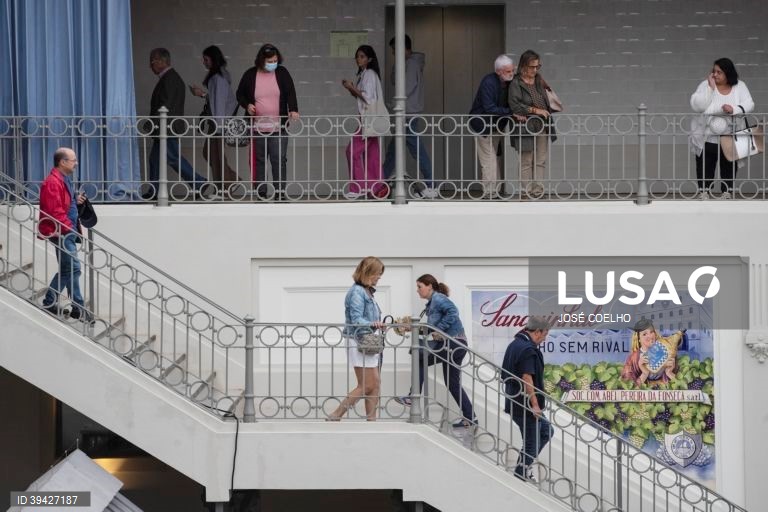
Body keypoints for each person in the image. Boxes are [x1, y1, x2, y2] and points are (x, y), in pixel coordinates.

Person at [395, 274, 476, 429]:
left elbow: (453, 312)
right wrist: (410, 328)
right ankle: (470, 417)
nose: (417, 291)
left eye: (420, 287)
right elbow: (429, 330)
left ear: (429, 286)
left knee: (419, 357)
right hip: (456, 344)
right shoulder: (431, 304)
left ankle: (413, 396)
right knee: (452, 384)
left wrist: (439, 329)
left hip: (453, 343)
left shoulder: (438, 299)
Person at [236, 44, 299, 199]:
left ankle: (279, 193)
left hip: (278, 127)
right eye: (270, 61)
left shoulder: (282, 73)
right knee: (259, 161)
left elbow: (290, 91)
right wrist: (247, 105)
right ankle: (261, 193)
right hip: (257, 127)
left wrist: (293, 109)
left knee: (279, 160)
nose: (273, 63)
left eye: (275, 60)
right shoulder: (251, 74)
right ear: (261, 60)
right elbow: (240, 94)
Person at [144, 48, 207, 200]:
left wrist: (153, 122)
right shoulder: (170, 78)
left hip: (167, 128)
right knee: (155, 160)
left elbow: (166, 106)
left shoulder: (170, 79)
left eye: (152, 61)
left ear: (160, 61)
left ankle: (199, 183)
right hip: (165, 128)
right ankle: (154, 190)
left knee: (172, 157)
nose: (150, 66)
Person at [328, 257, 386, 421]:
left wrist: (377, 325)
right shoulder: (357, 292)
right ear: (368, 272)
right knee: (367, 385)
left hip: (368, 340)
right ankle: (337, 414)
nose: (379, 278)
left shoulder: (367, 291)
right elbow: (356, 319)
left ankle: (372, 420)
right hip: (358, 340)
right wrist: (373, 324)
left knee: (375, 383)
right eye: (377, 274)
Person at [38, 148, 91, 322]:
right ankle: (68, 305)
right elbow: (55, 211)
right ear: (62, 162)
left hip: (65, 231)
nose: (76, 163)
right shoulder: (52, 182)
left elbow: (63, 204)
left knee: (70, 268)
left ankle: (74, 306)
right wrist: (70, 229)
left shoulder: (63, 179)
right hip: (61, 232)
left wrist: (76, 201)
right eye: (73, 160)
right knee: (72, 268)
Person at [689, 57, 754, 199]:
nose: (715, 75)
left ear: (728, 73)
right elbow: (698, 106)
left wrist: (733, 109)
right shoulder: (705, 85)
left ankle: (727, 192)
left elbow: (749, 103)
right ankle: (704, 192)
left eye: (719, 72)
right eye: (714, 71)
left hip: (731, 136)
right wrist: (710, 88)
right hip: (707, 137)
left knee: (729, 165)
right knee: (705, 165)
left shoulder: (740, 86)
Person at [381, 35, 436, 199]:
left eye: (394, 50)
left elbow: (404, 88)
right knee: (394, 149)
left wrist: (395, 104)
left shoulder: (411, 64)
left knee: (415, 148)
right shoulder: (407, 63)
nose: (392, 54)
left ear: (403, 48)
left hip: (408, 113)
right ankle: (379, 182)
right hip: (407, 113)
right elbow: (394, 80)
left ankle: (431, 184)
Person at [502, 316, 554, 481]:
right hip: (524, 404)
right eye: (545, 335)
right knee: (531, 444)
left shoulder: (515, 345)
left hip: (516, 401)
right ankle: (520, 474)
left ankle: (523, 468)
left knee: (546, 430)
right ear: (537, 332)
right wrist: (535, 405)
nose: (544, 339)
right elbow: (527, 377)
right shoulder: (527, 349)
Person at [190, 45, 240, 193]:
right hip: (218, 122)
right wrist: (202, 95)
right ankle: (229, 183)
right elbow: (217, 100)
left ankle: (226, 186)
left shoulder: (219, 78)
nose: (203, 62)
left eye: (206, 59)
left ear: (213, 59)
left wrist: (219, 128)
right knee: (212, 154)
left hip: (219, 123)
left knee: (214, 155)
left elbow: (219, 102)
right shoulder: (219, 77)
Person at [508, 50, 558, 199]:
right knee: (526, 160)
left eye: (537, 66)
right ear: (523, 66)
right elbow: (514, 105)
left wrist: (547, 108)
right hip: (524, 126)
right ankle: (526, 191)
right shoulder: (516, 83)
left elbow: (547, 97)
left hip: (542, 124)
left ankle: (538, 191)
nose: (535, 70)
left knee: (540, 159)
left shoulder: (538, 79)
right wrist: (536, 110)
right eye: (532, 67)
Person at [342, 45, 387, 199]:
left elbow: (367, 98)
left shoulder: (368, 74)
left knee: (352, 151)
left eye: (361, 56)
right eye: (357, 56)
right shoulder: (367, 74)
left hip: (368, 119)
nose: (358, 59)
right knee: (372, 154)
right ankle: (377, 187)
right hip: (371, 119)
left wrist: (351, 88)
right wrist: (352, 89)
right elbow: (363, 96)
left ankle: (357, 187)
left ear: (369, 59)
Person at [468, 55, 515, 197]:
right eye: (508, 71)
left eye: (512, 70)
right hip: (482, 125)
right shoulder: (488, 82)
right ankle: (490, 193)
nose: (511, 73)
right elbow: (489, 108)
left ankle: (496, 191)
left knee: (494, 158)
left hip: (496, 126)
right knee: (489, 160)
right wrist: (511, 112)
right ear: (499, 71)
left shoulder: (508, 82)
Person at [620, 318, 684, 387]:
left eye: (651, 332)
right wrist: (644, 373)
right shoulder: (632, 358)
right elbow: (628, 386)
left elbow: (682, 385)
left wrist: (669, 373)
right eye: (644, 334)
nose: (650, 336)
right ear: (638, 339)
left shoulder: (667, 352)